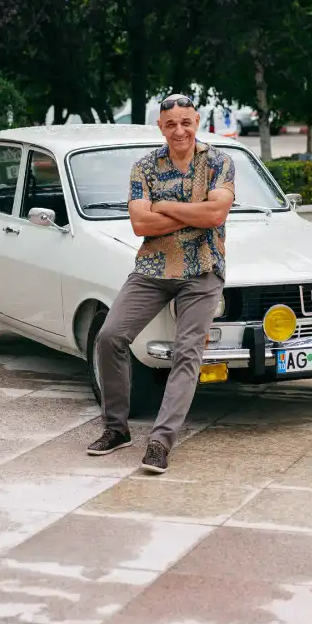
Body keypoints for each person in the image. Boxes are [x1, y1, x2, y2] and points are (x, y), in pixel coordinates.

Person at [87, 94, 235, 474]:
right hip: (152, 270)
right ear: (161, 127)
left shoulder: (219, 162)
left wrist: (164, 206)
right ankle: (116, 428)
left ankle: (160, 441)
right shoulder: (144, 167)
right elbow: (140, 224)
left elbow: (216, 214)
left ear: (196, 121)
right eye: (171, 124)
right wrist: (195, 213)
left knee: (187, 352)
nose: (179, 130)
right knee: (110, 336)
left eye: (185, 122)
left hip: (202, 270)